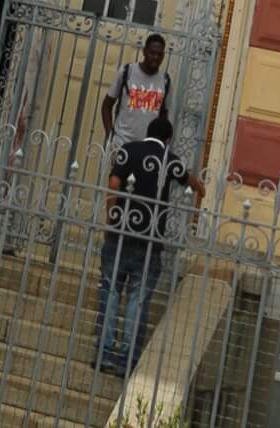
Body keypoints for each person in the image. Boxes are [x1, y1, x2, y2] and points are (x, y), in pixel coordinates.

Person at [93, 113, 204, 377]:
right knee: (137, 300)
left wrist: (111, 217)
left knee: (110, 292)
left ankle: (105, 353)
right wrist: (200, 189)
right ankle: (126, 360)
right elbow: (190, 181)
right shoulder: (169, 158)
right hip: (149, 240)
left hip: (120, 234)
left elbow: (114, 183)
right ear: (169, 139)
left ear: (147, 132)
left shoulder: (129, 151)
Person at [101, 33, 172, 157]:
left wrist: (161, 142)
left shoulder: (165, 80)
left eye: (159, 54)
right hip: (122, 144)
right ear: (144, 52)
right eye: (152, 53)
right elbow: (107, 105)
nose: (155, 57)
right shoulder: (127, 72)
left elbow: (164, 114)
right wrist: (110, 135)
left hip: (148, 149)